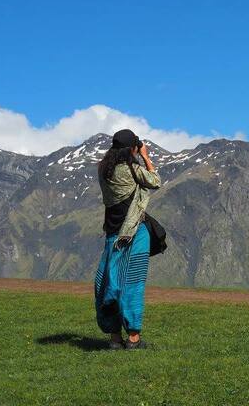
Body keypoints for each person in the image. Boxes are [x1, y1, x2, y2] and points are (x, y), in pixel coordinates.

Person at [94, 128, 161, 350]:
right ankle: (133, 338)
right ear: (132, 147)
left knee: (109, 283)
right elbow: (155, 180)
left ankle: (114, 338)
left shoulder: (103, 169)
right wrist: (145, 156)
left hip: (112, 233)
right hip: (133, 233)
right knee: (132, 282)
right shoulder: (132, 169)